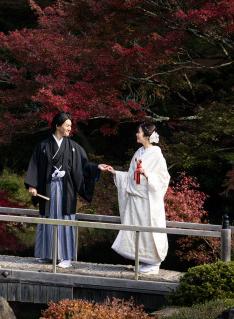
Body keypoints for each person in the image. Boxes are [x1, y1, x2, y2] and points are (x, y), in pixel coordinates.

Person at [25, 112, 101, 268]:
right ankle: (47, 253)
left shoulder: (73, 147)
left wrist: (96, 167)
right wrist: (32, 185)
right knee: (47, 218)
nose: (69, 129)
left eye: (71, 126)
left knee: (65, 220)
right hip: (47, 188)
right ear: (57, 126)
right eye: (67, 125)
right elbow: (34, 166)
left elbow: (84, 166)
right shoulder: (43, 146)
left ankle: (66, 257)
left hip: (66, 190)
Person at [99, 123, 170, 274]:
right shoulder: (139, 152)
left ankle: (154, 263)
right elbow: (132, 176)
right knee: (139, 233)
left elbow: (164, 179)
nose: (136, 135)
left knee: (150, 231)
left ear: (146, 136)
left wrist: (147, 174)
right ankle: (144, 260)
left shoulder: (156, 153)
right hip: (136, 201)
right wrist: (115, 173)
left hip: (148, 202)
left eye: (138, 132)